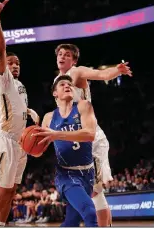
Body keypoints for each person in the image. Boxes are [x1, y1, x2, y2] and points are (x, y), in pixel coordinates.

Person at [53, 44, 132, 226]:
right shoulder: (58, 80)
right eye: (60, 54)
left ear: (74, 60)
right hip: (76, 138)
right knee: (95, 193)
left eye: (67, 55)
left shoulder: (78, 71)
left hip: (90, 137)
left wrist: (117, 71)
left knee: (94, 192)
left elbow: (101, 74)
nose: (62, 56)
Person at [0, 0, 39, 227]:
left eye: (17, 63)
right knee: (2, 190)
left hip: (20, 143)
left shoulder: (20, 86)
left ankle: (0, 226)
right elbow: (0, 49)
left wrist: (29, 112)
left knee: (12, 190)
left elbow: (17, 108)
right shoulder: (3, 78)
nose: (14, 65)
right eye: (11, 62)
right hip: (5, 140)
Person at [34, 75, 98, 227]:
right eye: (62, 84)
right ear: (55, 93)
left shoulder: (83, 106)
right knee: (89, 212)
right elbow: (38, 152)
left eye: (69, 84)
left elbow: (90, 134)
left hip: (88, 173)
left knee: (72, 222)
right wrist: (29, 140)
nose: (67, 86)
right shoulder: (49, 118)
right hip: (66, 175)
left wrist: (56, 134)